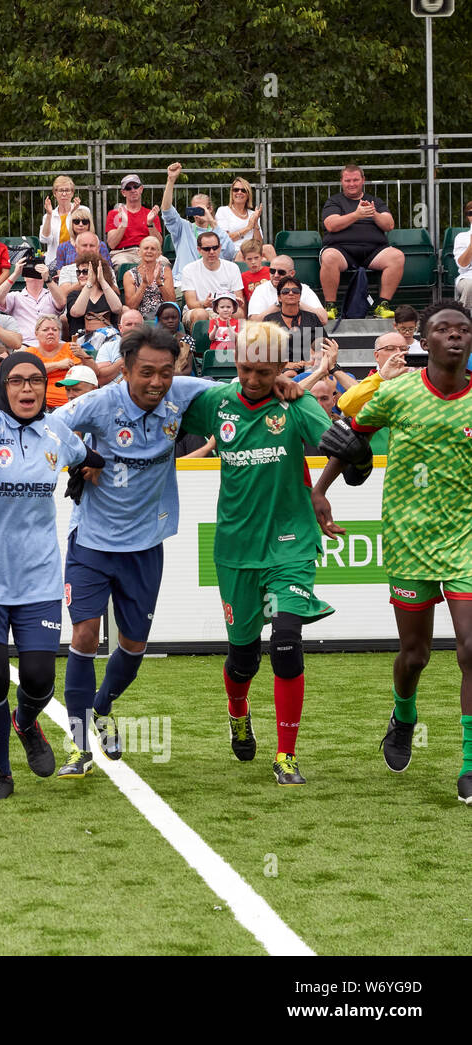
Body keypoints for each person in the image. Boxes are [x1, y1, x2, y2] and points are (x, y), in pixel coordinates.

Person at [51, 326, 282, 777]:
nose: (156, 382)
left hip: (145, 546)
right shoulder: (100, 403)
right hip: (92, 542)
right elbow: (49, 426)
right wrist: (81, 457)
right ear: (125, 368)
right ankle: (79, 745)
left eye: (164, 372)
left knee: (134, 647)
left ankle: (102, 708)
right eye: (145, 373)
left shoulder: (182, 393)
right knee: (83, 636)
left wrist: (284, 382)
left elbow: (242, 389)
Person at [314, 301, 472, 803]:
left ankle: (469, 765)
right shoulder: (399, 391)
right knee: (415, 654)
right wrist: (321, 491)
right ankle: (403, 714)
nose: (454, 336)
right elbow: (349, 434)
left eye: (463, 329)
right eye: (443, 329)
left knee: (471, 649)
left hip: (466, 540)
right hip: (407, 537)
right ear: (424, 341)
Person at [180, 323, 338, 786]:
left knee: (286, 645)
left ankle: (286, 756)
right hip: (235, 548)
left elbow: (338, 446)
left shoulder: (297, 404)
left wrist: (322, 491)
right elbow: (163, 404)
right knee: (243, 659)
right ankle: (238, 712)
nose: (253, 379)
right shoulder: (216, 402)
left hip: (291, 542)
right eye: (246, 369)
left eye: (264, 372)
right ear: (235, 362)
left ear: (281, 369)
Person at [0, 353, 105, 797]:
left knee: (38, 679)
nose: (28, 389)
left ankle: (26, 721)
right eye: (17, 381)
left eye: (35, 380)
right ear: (2, 387)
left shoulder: (57, 432)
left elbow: (90, 456)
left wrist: (87, 469)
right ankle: (0, 773)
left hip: (39, 579)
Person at [319, 165, 404, 320]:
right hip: (342, 251)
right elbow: (331, 224)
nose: (352, 184)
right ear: (342, 182)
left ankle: (383, 306)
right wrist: (356, 215)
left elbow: (389, 225)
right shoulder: (334, 201)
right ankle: (330, 307)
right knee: (329, 256)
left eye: (356, 180)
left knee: (397, 256)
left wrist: (373, 213)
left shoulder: (375, 201)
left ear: (363, 180)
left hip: (374, 251)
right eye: (348, 180)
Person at [159, 163, 238, 270]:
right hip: (185, 281)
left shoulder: (217, 232)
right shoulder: (184, 228)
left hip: (212, 279)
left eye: (200, 209)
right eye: (194, 209)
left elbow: (230, 253)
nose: (197, 213)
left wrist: (211, 221)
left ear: (209, 209)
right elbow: (166, 210)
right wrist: (170, 180)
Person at [179, 231, 244, 329]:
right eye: (207, 249)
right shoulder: (189, 269)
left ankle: (232, 343)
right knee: (201, 314)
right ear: (199, 250)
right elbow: (191, 303)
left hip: (225, 308)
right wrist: (204, 304)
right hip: (198, 310)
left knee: (238, 312)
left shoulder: (232, 267)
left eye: (215, 248)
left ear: (220, 247)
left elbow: (239, 298)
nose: (212, 252)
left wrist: (234, 303)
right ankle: (199, 344)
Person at [27, 315, 89, 407]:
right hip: (41, 404)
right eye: (45, 330)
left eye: (55, 330)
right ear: (36, 334)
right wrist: (58, 365)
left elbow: (81, 374)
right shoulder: (31, 352)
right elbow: (29, 372)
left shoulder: (70, 348)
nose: (50, 332)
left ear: (59, 333)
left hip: (69, 402)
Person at [246, 255, 328, 323]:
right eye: (272, 271)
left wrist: (296, 303)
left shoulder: (304, 289)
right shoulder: (261, 290)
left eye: (281, 272)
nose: (276, 275)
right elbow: (253, 321)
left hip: (300, 335)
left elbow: (323, 319)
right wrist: (278, 304)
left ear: (292, 273)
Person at [0, 259, 60, 346]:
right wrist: (15, 274)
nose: (33, 273)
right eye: (29, 270)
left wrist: (47, 277)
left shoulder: (52, 294)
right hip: (25, 344)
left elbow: (62, 302)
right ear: (24, 277)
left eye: (37, 270)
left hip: (52, 343)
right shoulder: (16, 296)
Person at [106, 174, 163, 266]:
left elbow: (159, 243)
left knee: (163, 263)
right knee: (122, 264)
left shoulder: (151, 214)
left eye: (135, 187)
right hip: (123, 253)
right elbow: (112, 244)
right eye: (128, 188)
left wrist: (150, 224)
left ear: (141, 189)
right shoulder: (114, 214)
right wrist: (123, 224)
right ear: (123, 192)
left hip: (148, 251)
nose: (133, 190)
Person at [214, 176, 274, 261]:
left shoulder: (253, 214)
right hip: (234, 251)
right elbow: (225, 239)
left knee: (269, 248)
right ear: (232, 193)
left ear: (248, 194)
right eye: (236, 190)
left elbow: (259, 244)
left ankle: (277, 274)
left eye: (243, 190)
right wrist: (248, 228)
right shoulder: (223, 211)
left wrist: (256, 223)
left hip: (252, 250)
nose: (239, 192)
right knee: (255, 258)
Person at [122, 236, 174, 321]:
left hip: (163, 315)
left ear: (159, 253)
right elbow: (131, 307)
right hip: (140, 317)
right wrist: (143, 285)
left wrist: (158, 282)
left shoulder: (166, 271)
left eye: (153, 249)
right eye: (146, 248)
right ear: (139, 252)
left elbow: (171, 302)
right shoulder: (129, 275)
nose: (149, 251)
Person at [38, 176, 81, 267]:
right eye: (61, 191)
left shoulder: (82, 211)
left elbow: (84, 236)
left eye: (67, 190)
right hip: (54, 262)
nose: (64, 194)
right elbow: (45, 240)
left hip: (78, 260)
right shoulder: (48, 216)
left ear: (72, 193)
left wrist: (74, 214)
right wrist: (49, 215)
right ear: (55, 193)